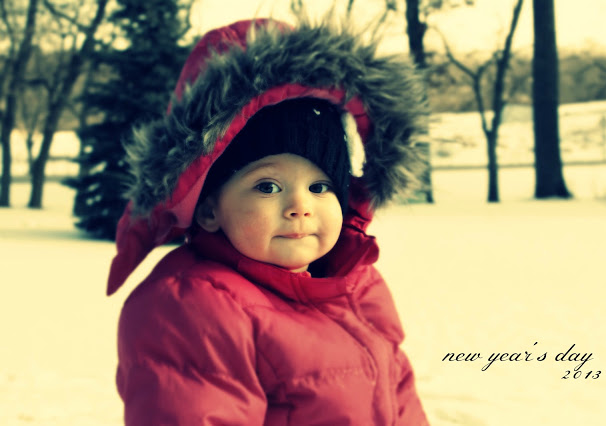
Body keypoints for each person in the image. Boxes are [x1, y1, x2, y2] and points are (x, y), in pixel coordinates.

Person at [107, 16, 430, 425]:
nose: (300, 206)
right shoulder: (193, 308)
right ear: (208, 209)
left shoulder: (359, 287)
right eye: (267, 187)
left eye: (320, 187)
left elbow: (402, 402)